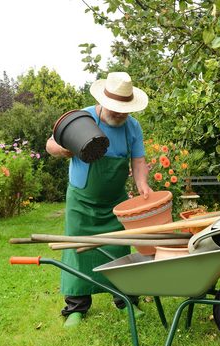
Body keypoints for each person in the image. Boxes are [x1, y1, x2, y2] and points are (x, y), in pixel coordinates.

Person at [46, 72, 152, 327]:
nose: (120, 114)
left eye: (124, 110)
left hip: (114, 203)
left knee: (118, 249)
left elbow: (137, 161)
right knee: (77, 251)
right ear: (104, 101)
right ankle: (76, 308)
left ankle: (125, 300)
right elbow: (50, 145)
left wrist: (142, 185)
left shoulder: (132, 127)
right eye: (116, 109)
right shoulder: (84, 118)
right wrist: (66, 148)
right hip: (82, 200)